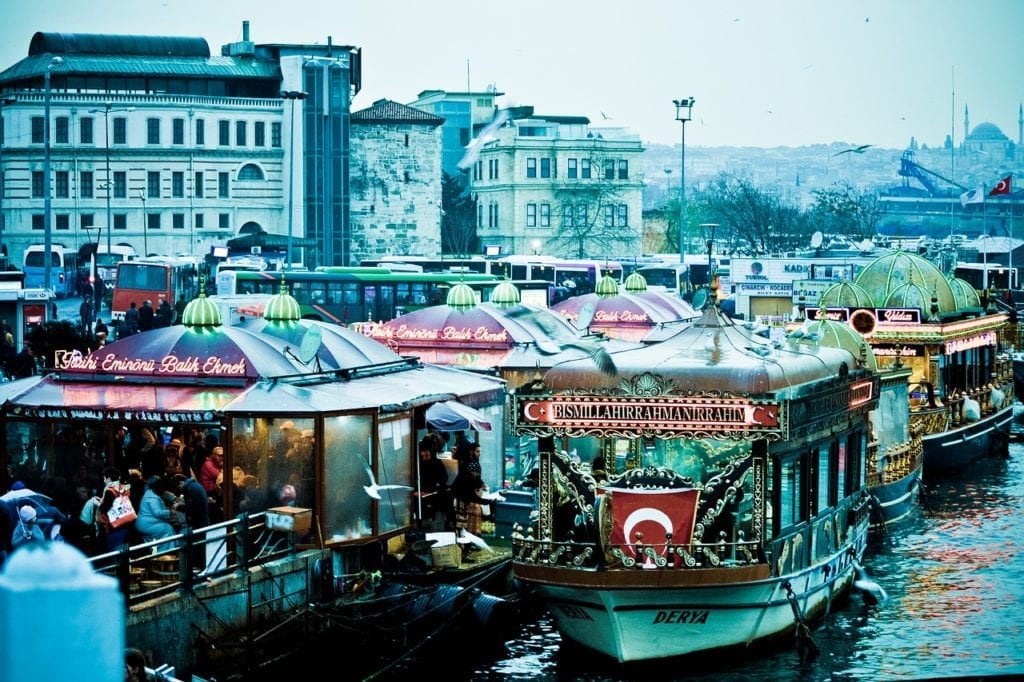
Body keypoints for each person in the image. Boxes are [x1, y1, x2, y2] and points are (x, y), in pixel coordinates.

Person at [452, 443, 502, 541]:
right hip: (461, 498)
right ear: (471, 451)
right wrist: (487, 500)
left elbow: (475, 480)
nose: (479, 454)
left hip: (462, 498)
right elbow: (474, 486)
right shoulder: (471, 467)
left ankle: (463, 545)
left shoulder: (467, 465)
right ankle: (462, 545)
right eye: (477, 451)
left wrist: (481, 485)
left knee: (461, 524)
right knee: (461, 525)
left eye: (480, 451)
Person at [97, 466, 134, 551]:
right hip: (126, 523)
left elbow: (104, 508)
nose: (104, 481)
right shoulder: (124, 488)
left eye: (104, 479)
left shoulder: (110, 491)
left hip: (114, 527)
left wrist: (98, 503)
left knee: (115, 552)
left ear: (109, 479)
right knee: (124, 550)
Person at [419, 441, 454, 529]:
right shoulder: (420, 464)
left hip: (438, 499)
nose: (424, 457)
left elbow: (443, 479)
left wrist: (430, 489)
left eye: (426, 455)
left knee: (437, 522)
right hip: (424, 499)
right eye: (423, 455)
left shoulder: (437, 463)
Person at [135, 475, 178, 544]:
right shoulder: (153, 499)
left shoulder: (149, 493)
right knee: (167, 528)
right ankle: (168, 551)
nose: (163, 490)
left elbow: (166, 495)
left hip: (146, 523)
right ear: (157, 487)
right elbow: (157, 513)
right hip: (147, 525)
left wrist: (174, 499)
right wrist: (170, 511)